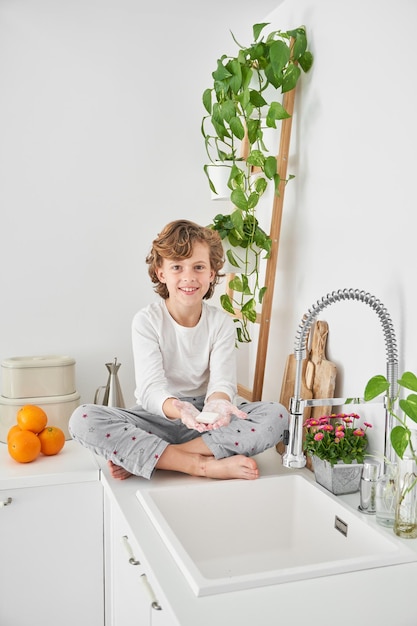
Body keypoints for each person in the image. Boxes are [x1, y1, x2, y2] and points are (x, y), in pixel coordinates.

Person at [69, 219, 288, 480]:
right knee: (83, 419)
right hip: (158, 417)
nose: (189, 277)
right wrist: (180, 409)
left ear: (211, 273)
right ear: (161, 273)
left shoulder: (220, 323)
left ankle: (158, 458)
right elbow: (151, 390)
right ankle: (200, 465)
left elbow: (222, 383)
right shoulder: (147, 321)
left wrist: (217, 406)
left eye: (198, 267)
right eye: (177, 267)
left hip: (206, 422)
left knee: (276, 415)